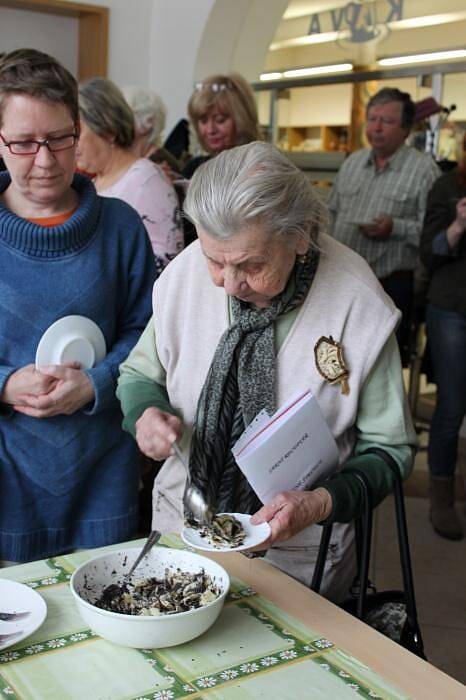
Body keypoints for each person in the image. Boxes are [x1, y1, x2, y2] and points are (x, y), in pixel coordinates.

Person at [117, 141, 416, 603]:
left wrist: (320, 501)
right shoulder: (184, 277)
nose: (230, 283)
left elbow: (391, 449)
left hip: (301, 555)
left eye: (251, 265)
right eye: (215, 260)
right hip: (184, 527)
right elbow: (138, 376)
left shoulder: (358, 305)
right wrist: (146, 413)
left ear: (300, 236)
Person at [0, 49, 155, 562]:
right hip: (9, 487)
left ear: (79, 128)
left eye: (60, 139)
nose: (45, 161)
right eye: (23, 144)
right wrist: (3, 383)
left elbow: (148, 335)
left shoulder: (121, 227)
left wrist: (97, 382)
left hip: (102, 477)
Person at [328, 87, 440, 364]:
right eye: (372, 119)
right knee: (336, 360)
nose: (376, 128)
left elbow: (433, 234)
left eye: (387, 121)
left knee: (379, 363)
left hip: (390, 286)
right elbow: (330, 213)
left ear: (405, 129)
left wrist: (395, 228)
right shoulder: (352, 163)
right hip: (341, 280)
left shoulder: (424, 170)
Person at [77, 77, 183, 275]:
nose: (72, 143)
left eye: (78, 132)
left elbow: (167, 263)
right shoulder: (93, 182)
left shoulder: (146, 179)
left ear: (107, 130)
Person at [420, 137, 466, 541]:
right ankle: (441, 499)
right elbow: (429, 254)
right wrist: (458, 225)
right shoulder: (447, 186)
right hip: (453, 308)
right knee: (451, 407)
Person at [183, 73, 260, 179]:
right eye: (203, 121)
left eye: (220, 120)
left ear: (242, 119)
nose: (210, 130)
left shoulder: (259, 168)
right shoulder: (193, 169)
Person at [121, 85, 182, 176]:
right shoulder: (135, 158)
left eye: (126, 115)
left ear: (149, 121)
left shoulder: (161, 163)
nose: (118, 121)